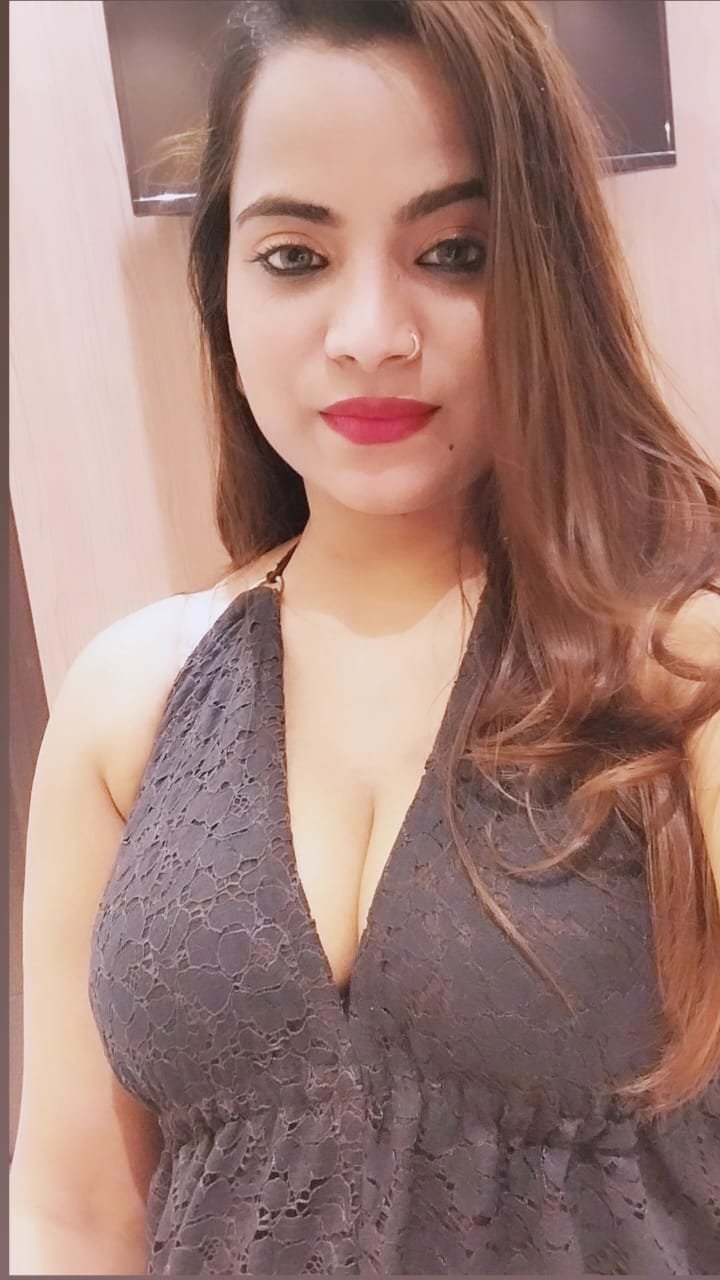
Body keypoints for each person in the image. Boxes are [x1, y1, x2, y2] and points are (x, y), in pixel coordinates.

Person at [10, 0, 720, 1274]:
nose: (370, 333)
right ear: (222, 281)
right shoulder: (129, 704)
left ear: (547, 272)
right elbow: (75, 1210)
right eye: (296, 255)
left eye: (455, 252)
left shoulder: (685, 676)